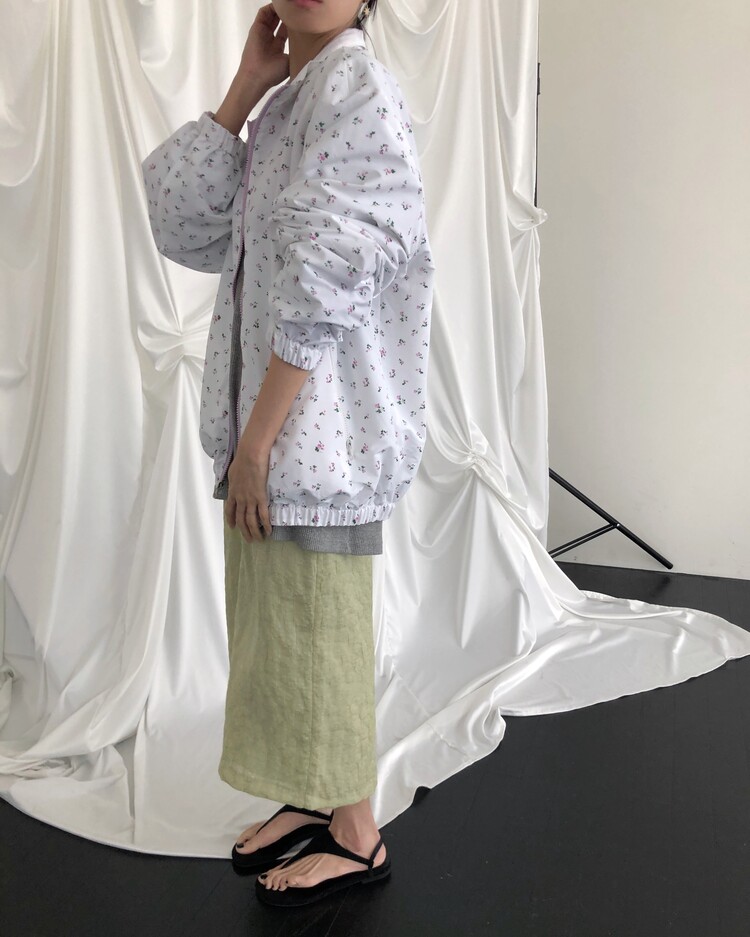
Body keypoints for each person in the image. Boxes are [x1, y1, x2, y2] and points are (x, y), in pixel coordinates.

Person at [141, 0, 434, 907]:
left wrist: (259, 442)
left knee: (319, 625)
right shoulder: (285, 106)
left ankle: (355, 832)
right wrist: (242, 89)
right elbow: (183, 227)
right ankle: (312, 794)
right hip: (275, 431)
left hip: (314, 434)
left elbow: (331, 277)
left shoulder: (356, 90)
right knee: (280, 628)